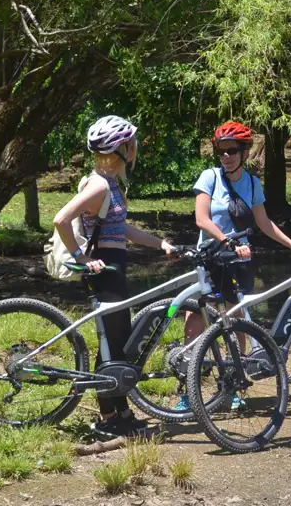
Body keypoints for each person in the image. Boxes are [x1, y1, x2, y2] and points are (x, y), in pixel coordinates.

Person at [53, 115, 175, 437]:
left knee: (118, 343)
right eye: (131, 143)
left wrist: (159, 243)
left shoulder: (110, 184)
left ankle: (121, 412)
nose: (135, 148)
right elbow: (61, 219)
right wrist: (82, 258)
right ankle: (108, 419)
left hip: (113, 270)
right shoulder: (99, 185)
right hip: (103, 271)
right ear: (121, 148)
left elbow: (123, 230)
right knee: (111, 344)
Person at [174, 121, 291, 411]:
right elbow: (201, 219)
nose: (226, 156)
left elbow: (264, 222)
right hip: (209, 258)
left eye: (232, 150)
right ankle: (187, 391)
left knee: (236, 323)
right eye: (221, 151)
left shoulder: (252, 183)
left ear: (244, 152)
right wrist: (227, 242)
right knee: (194, 321)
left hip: (238, 262)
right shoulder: (209, 177)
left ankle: (231, 386)